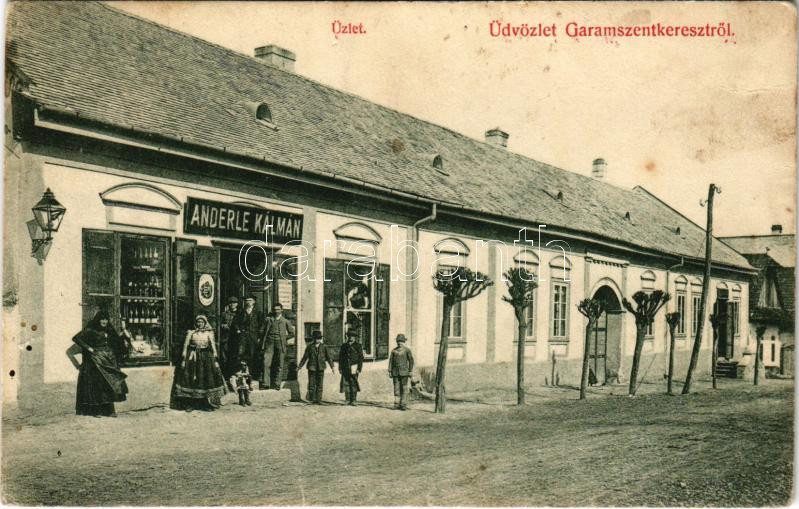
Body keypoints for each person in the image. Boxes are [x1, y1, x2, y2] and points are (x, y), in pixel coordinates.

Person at [72, 309, 129, 417]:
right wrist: (89, 348)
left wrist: (124, 335)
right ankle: (97, 411)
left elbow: (116, 341)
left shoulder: (109, 329)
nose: (104, 321)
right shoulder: (91, 330)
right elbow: (76, 338)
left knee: (110, 384)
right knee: (98, 385)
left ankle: (110, 410)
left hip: (108, 360)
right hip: (96, 360)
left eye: (106, 319)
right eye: (102, 319)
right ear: (98, 320)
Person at [172, 315, 226, 411]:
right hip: (192, 357)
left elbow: (213, 346)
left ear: (205, 323)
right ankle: (190, 404)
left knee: (205, 379)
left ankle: (205, 404)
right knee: (191, 379)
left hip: (205, 358)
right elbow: (186, 345)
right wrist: (184, 357)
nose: (199, 324)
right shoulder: (191, 332)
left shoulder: (209, 333)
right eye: (198, 322)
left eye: (202, 322)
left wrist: (215, 357)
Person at [260, 302, 295, 390]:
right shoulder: (268, 320)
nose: (276, 311)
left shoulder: (285, 321)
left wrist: (284, 338)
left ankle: (277, 384)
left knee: (280, 363)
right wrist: (263, 338)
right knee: (266, 362)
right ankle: (266, 383)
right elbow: (262, 330)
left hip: (281, 343)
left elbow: (292, 333)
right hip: (269, 342)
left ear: (281, 310)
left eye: (278, 309)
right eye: (275, 310)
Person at [297, 330, 335, 404]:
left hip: (321, 368)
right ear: (313, 338)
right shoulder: (309, 347)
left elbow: (329, 357)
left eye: (319, 338)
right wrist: (299, 367)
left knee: (320, 385)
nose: (317, 340)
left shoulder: (324, 347)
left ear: (321, 339)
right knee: (311, 384)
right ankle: (312, 399)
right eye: (316, 338)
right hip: (312, 368)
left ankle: (319, 400)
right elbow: (304, 358)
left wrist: (332, 367)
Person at [231, 295, 264, 382]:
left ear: (254, 302)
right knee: (240, 354)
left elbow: (262, 325)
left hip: (253, 337)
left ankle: (253, 376)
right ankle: (240, 375)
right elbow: (235, 322)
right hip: (243, 336)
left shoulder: (258, 312)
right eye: (247, 300)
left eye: (250, 300)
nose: (248, 302)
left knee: (253, 355)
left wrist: (259, 336)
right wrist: (238, 330)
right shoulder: (241, 312)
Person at [388, 334, 414, 410]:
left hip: (404, 373)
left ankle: (403, 404)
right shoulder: (393, 351)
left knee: (404, 388)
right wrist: (390, 371)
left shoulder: (407, 350)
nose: (399, 343)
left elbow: (411, 361)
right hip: (395, 373)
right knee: (396, 388)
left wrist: (410, 370)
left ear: (404, 342)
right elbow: (391, 361)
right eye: (398, 341)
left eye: (401, 341)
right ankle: (396, 404)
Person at [339, 329, 364, 406]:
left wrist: (359, 368)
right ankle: (347, 400)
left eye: (353, 336)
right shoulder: (344, 346)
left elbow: (361, 358)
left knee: (353, 383)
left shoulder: (358, 346)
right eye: (350, 336)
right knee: (346, 383)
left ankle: (353, 400)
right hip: (345, 367)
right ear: (347, 337)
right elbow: (341, 358)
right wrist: (340, 368)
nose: (351, 338)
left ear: (355, 337)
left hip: (354, 367)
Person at [220, 296, 239, 385]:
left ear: (237, 304)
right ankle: (226, 377)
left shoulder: (240, 314)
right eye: (231, 303)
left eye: (234, 303)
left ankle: (233, 376)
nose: (232, 305)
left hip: (236, 339)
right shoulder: (224, 314)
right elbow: (219, 323)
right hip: (226, 338)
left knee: (234, 357)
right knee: (224, 358)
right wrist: (223, 325)